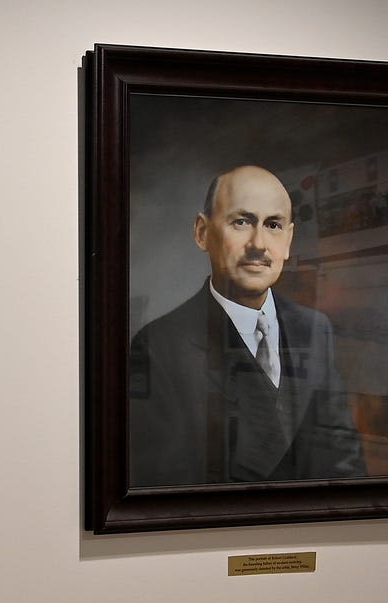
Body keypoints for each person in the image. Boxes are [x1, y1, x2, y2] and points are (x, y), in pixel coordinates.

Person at [128, 165, 365, 486]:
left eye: (274, 225)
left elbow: (343, 459)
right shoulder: (159, 345)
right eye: (241, 222)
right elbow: (162, 484)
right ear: (202, 232)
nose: (259, 244)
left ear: (289, 239)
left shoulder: (314, 328)